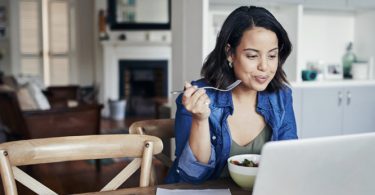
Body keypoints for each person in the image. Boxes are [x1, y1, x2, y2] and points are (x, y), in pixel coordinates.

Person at [165, 6, 298, 184]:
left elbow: (289, 160)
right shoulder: (199, 97)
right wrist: (200, 120)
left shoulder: (281, 96)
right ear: (230, 53)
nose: (265, 67)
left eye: (272, 55)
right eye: (252, 56)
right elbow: (192, 176)